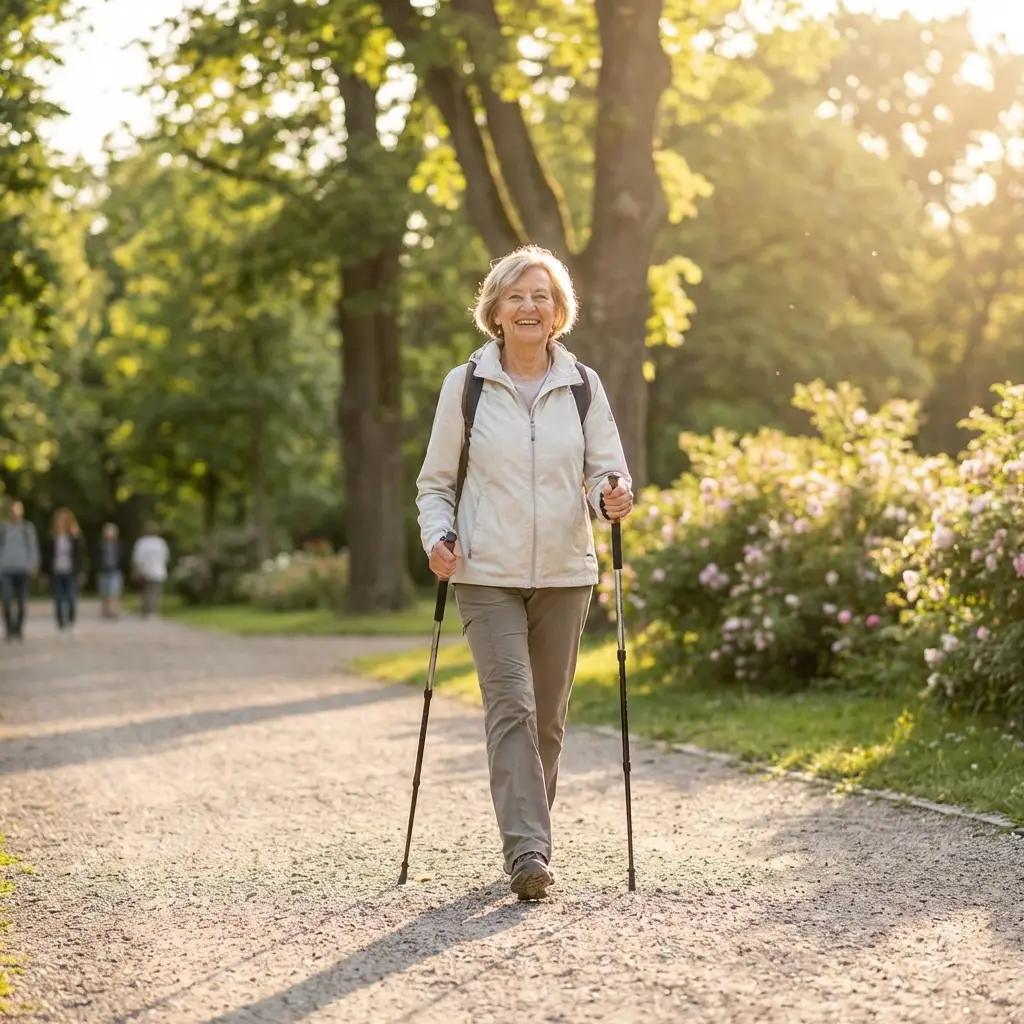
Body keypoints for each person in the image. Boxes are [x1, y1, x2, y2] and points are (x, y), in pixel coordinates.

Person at [416, 245, 634, 901]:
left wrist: (612, 496)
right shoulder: (468, 385)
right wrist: (438, 536)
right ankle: (529, 854)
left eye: (542, 295)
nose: (530, 306)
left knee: (547, 721)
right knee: (511, 706)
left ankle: (528, 839)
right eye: (517, 295)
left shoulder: (584, 385)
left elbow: (606, 472)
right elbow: (434, 485)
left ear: (558, 310)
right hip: (486, 572)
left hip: (567, 575)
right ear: (496, 311)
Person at [0, 500, 40, 641]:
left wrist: (34, 565)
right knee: (7, 599)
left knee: (22, 601)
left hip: (23, 569)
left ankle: (19, 628)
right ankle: (9, 629)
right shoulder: (4, 529)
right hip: (6, 569)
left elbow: (33, 548)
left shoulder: (27, 528)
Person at [46, 507, 84, 634]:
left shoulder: (74, 537)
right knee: (58, 599)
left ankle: (71, 620)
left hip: (71, 571)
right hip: (57, 571)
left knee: (71, 598)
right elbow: (48, 555)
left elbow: (80, 555)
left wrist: (81, 571)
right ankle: (61, 623)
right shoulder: (52, 537)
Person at [131, 522, 171, 617]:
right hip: (158, 571)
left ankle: (147, 610)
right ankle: (153, 610)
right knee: (156, 592)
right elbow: (166, 557)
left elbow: (136, 558)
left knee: (146, 592)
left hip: (146, 571)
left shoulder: (141, 543)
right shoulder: (160, 543)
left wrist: (137, 569)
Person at [97, 522, 123, 619]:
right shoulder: (101, 545)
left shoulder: (118, 545)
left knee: (115, 591)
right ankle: (105, 611)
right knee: (104, 592)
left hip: (115, 570)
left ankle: (114, 611)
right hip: (104, 570)